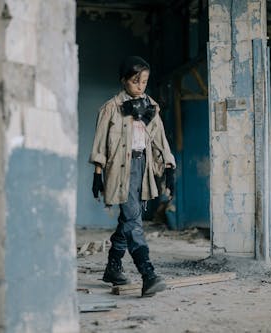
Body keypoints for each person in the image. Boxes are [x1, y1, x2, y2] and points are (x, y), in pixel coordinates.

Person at [89, 56, 176, 297]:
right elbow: (100, 144)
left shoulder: (151, 107)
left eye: (144, 81)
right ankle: (148, 274)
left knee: (130, 218)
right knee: (133, 221)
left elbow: (160, 138)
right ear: (123, 80)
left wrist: (169, 166)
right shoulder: (111, 108)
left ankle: (113, 268)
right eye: (136, 80)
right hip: (120, 169)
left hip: (143, 167)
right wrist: (98, 174)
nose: (141, 85)